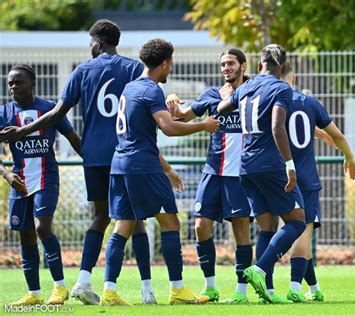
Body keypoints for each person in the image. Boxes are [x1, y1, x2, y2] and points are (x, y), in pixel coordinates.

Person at [0, 19, 182, 305]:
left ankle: (84, 279)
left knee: (101, 217)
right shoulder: (133, 68)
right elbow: (150, 94)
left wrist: (23, 130)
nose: (90, 48)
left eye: (90, 43)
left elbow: (59, 112)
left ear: (98, 42)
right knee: (136, 221)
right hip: (126, 153)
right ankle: (146, 290)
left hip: (93, 155)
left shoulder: (82, 70)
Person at [100, 38, 220, 306]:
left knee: (122, 227)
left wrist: (172, 105)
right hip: (143, 167)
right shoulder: (150, 90)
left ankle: (108, 291)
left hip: (120, 164)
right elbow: (168, 127)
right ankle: (177, 289)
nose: (171, 69)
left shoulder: (130, 88)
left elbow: (143, 133)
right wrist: (204, 125)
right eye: (171, 64)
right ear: (164, 63)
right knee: (171, 223)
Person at [217, 44, 306, 304]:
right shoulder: (281, 88)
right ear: (285, 68)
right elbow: (278, 127)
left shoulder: (245, 88)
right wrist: (290, 165)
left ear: (258, 66)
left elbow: (222, 109)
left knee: (267, 226)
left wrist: (227, 96)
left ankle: (266, 289)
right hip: (270, 165)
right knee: (297, 221)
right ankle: (259, 268)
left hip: (245, 167)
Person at [166, 48, 253, 304]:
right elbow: (180, 116)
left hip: (241, 174)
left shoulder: (252, 94)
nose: (226, 68)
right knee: (200, 227)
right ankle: (211, 287)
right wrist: (172, 99)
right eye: (223, 64)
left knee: (241, 233)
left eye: (231, 64)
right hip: (213, 171)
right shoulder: (212, 95)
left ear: (243, 66)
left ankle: (241, 292)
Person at [1, 64, 81, 306]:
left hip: (47, 176)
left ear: (32, 83)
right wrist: (5, 175)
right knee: (26, 236)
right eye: (10, 82)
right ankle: (34, 293)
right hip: (19, 180)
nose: (13, 86)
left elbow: (72, 136)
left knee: (42, 228)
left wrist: (91, 161)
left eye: (19, 82)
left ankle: (60, 287)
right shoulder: (4, 113)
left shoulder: (48, 109)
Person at [280, 62, 355, 302]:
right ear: (293, 77)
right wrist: (350, 158)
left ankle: (314, 289)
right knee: (304, 234)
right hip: (306, 178)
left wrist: (318, 133)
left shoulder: (273, 103)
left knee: (295, 233)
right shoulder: (310, 103)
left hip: (280, 176)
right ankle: (294, 287)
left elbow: (283, 129)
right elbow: (339, 135)